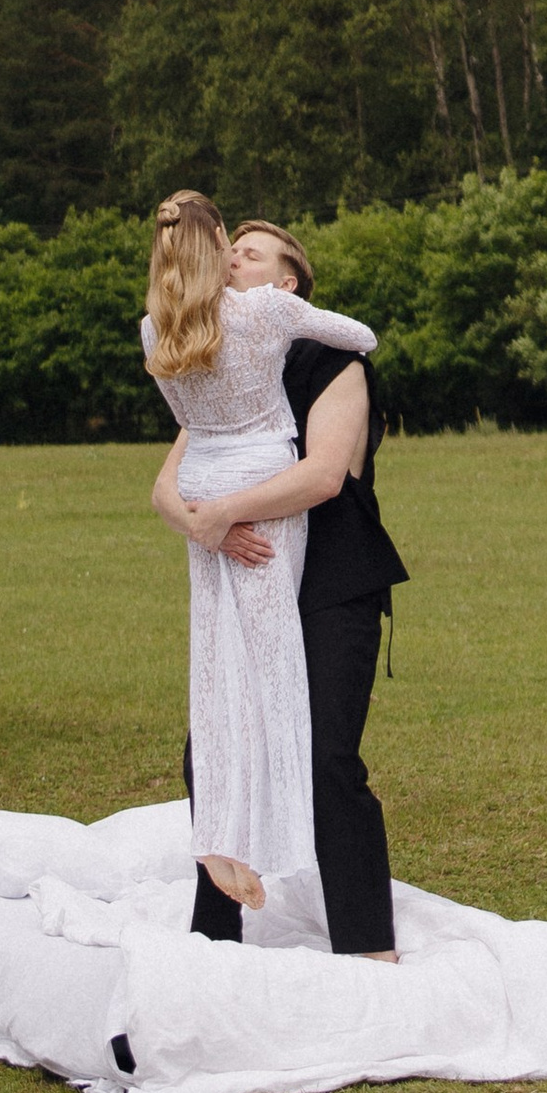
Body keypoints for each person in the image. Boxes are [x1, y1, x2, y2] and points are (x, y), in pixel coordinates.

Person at [153, 217, 408, 959]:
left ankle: (368, 946)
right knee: (213, 749)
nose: (232, 259)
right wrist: (200, 522)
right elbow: (168, 486)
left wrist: (225, 512)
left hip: (332, 582)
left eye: (251, 253)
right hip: (256, 571)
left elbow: (323, 476)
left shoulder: (335, 364)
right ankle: (216, 935)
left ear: (287, 285)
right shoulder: (218, 361)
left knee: (327, 756)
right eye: (229, 250)